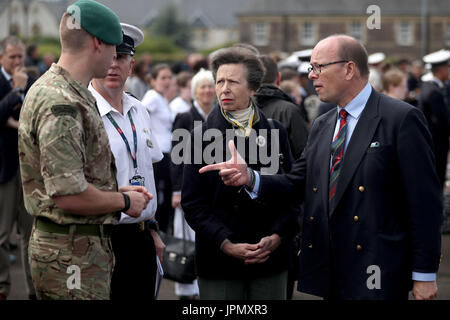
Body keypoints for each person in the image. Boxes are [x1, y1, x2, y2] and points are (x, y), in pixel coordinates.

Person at [200, 35, 443, 300]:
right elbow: (296, 182)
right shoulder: (323, 124)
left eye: (319, 67)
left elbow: (425, 204)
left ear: (349, 69)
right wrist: (250, 178)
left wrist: (424, 275)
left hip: (378, 271)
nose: (312, 75)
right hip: (333, 272)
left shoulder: (400, 118)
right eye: (311, 68)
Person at [18, 0, 151, 300]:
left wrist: (114, 192)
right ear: (97, 43)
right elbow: (68, 194)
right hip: (70, 255)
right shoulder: (61, 103)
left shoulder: (66, 92)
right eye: (113, 47)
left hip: (77, 251)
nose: (115, 58)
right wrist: (124, 200)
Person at [181, 47, 299, 300]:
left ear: (253, 88)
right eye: (220, 81)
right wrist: (225, 242)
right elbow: (193, 203)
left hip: (271, 258)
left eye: (233, 81)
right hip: (219, 260)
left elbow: (293, 191)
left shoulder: (275, 131)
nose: (224, 88)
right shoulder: (198, 137)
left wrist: (279, 235)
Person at [89, 23, 165, 300]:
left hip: (141, 236)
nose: (113, 65)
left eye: (120, 58)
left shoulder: (140, 109)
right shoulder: (83, 112)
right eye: (107, 57)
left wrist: (153, 230)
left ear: (131, 67)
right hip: (101, 237)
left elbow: (146, 174)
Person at [171, 68, 215, 299]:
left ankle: (204, 287)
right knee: (185, 239)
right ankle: (185, 289)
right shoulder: (185, 118)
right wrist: (177, 190)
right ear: (194, 91)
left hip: (213, 190)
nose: (207, 91)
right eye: (202, 87)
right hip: (189, 189)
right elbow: (177, 158)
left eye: (210, 86)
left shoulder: (220, 117)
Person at [0, 35, 35, 300]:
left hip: (28, 169)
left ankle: (35, 289)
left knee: (31, 234)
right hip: (4, 169)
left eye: (20, 56)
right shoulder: (8, 83)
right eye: (12, 56)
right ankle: (3, 286)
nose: (17, 61)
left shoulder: (32, 81)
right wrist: (15, 92)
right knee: (2, 234)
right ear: (2, 57)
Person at [255, 55, 309, 160]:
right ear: (278, 78)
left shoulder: (237, 109)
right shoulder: (290, 111)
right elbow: (303, 154)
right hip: (284, 175)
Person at [142, 64, 175, 233]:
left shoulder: (162, 98)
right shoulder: (152, 96)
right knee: (160, 194)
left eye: (169, 77)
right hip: (158, 154)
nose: (167, 81)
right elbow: (141, 115)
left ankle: (161, 230)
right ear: (153, 80)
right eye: (163, 77)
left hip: (166, 152)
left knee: (166, 194)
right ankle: (157, 230)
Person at [418, 49, 450, 191]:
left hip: (431, 141)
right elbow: (440, 121)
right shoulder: (434, 91)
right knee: (437, 177)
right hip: (436, 142)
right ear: (441, 69)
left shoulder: (429, 87)